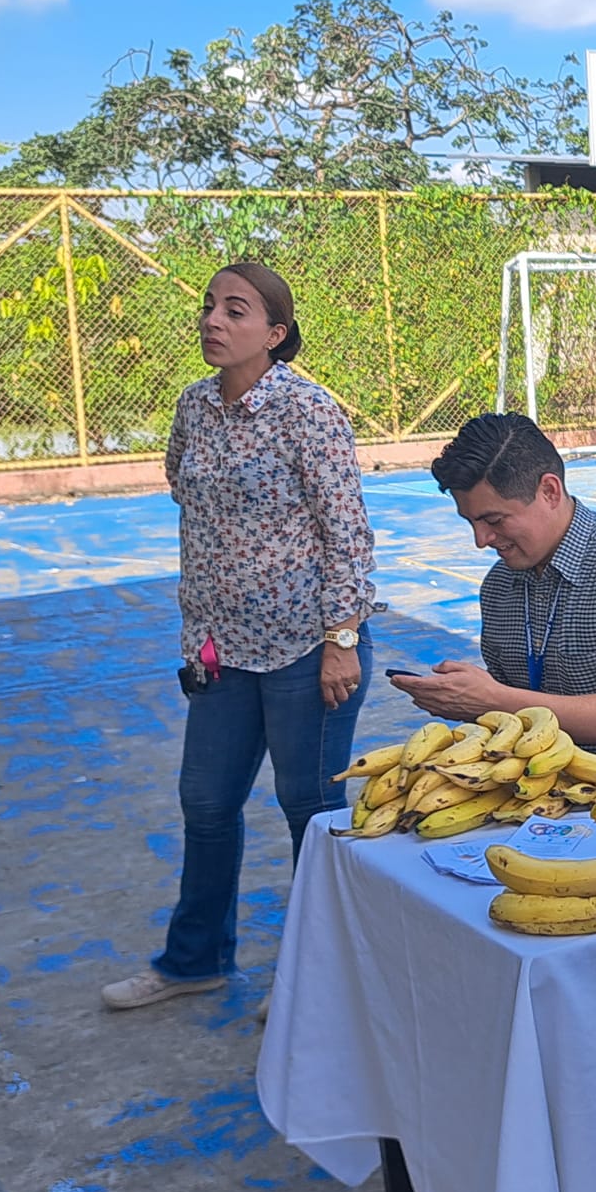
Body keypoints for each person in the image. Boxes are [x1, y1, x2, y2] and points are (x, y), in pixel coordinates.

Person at [103, 263, 377, 1015]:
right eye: (209, 307)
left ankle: (320, 976)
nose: (212, 321)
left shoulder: (308, 411)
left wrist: (342, 638)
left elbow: (347, 532)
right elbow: (183, 489)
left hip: (305, 649)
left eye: (235, 310)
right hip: (221, 650)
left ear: (275, 333)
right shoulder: (194, 406)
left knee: (308, 808)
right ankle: (194, 961)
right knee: (206, 802)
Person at [392, 413, 596, 756]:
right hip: (526, 772)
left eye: (494, 520)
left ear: (549, 491)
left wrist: (495, 699)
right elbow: (511, 704)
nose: (481, 540)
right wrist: (467, 697)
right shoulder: (499, 584)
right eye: (471, 523)